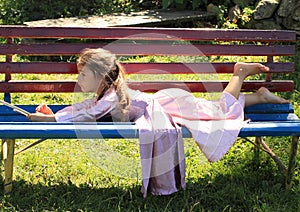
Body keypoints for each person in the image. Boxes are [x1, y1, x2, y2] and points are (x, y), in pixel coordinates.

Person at [27, 48, 289, 197]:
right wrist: (54, 114)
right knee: (215, 111)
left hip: (168, 106)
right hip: (168, 104)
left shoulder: (112, 96)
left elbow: (86, 116)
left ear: (101, 76)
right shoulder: (107, 93)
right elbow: (84, 109)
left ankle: (239, 73)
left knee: (218, 114)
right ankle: (257, 97)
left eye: (83, 74)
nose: (79, 79)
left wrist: (50, 119)